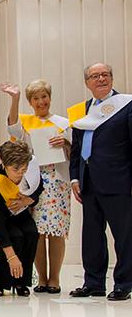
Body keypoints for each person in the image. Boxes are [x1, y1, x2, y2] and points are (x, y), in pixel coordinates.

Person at [0, 80, 72, 294]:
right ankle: (41, 278)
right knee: (38, 232)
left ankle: (55, 279)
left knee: (56, 232)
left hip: (58, 182)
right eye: (36, 98)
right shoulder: (26, 122)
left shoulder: (63, 122)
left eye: (44, 97)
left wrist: (66, 144)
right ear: (30, 102)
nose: (41, 102)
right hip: (34, 182)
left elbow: (74, 151)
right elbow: (12, 126)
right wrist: (15, 98)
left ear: (50, 97)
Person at [69, 63, 132, 301]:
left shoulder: (125, 105)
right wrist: (75, 176)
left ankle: (124, 284)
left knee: (123, 235)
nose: (101, 79)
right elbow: (76, 148)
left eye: (105, 75)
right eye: (95, 76)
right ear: (87, 83)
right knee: (92, 236)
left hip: (118, 179)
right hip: (88, 181)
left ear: (112, 78)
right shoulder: (81, 110)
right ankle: (93, 283)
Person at [0, 140, 41, 297]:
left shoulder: (30, 169)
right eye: (15, 169)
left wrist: (29, 199)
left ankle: (21, 281)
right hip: (4, 219)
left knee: (32, 233)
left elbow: (39, 187)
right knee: (16, 238)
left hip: (22, 211)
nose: (20, 173)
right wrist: (12, 257)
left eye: (24, 169)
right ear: (3, 164)